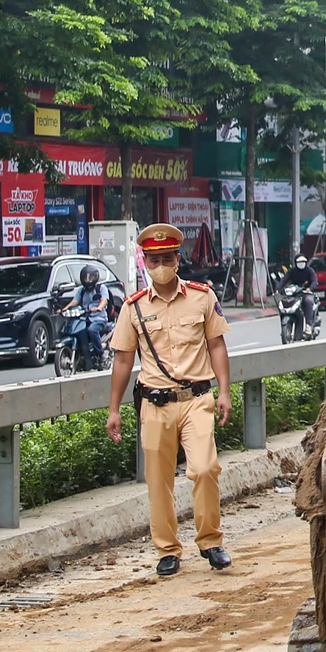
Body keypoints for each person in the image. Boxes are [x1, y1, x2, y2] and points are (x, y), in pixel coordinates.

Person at [107, 224, 234, 576]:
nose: (161, 264)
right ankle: (167, 550)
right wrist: (113, 409)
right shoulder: (133, 308)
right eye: (154, 259)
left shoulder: (202, 296)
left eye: (167, 258)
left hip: (197, 399)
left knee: (205, 468)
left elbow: (216, 346)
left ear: (178, 258)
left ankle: (211, 541)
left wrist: (224, 392)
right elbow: (122, 360)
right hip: (155, 403)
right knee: (158, 479)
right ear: (144, 262)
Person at [283, 254, 319, 330]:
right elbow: (284, 280)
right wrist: (278, 289)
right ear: (295, 262)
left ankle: (308, 325)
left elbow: (314, 281)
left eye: (303, 261)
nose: (301, 263)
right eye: (299, 262)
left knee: (308, 301)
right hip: (295, 294)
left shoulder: (309, 271)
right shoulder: (292, 271)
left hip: (306, 293)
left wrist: (310, 288)